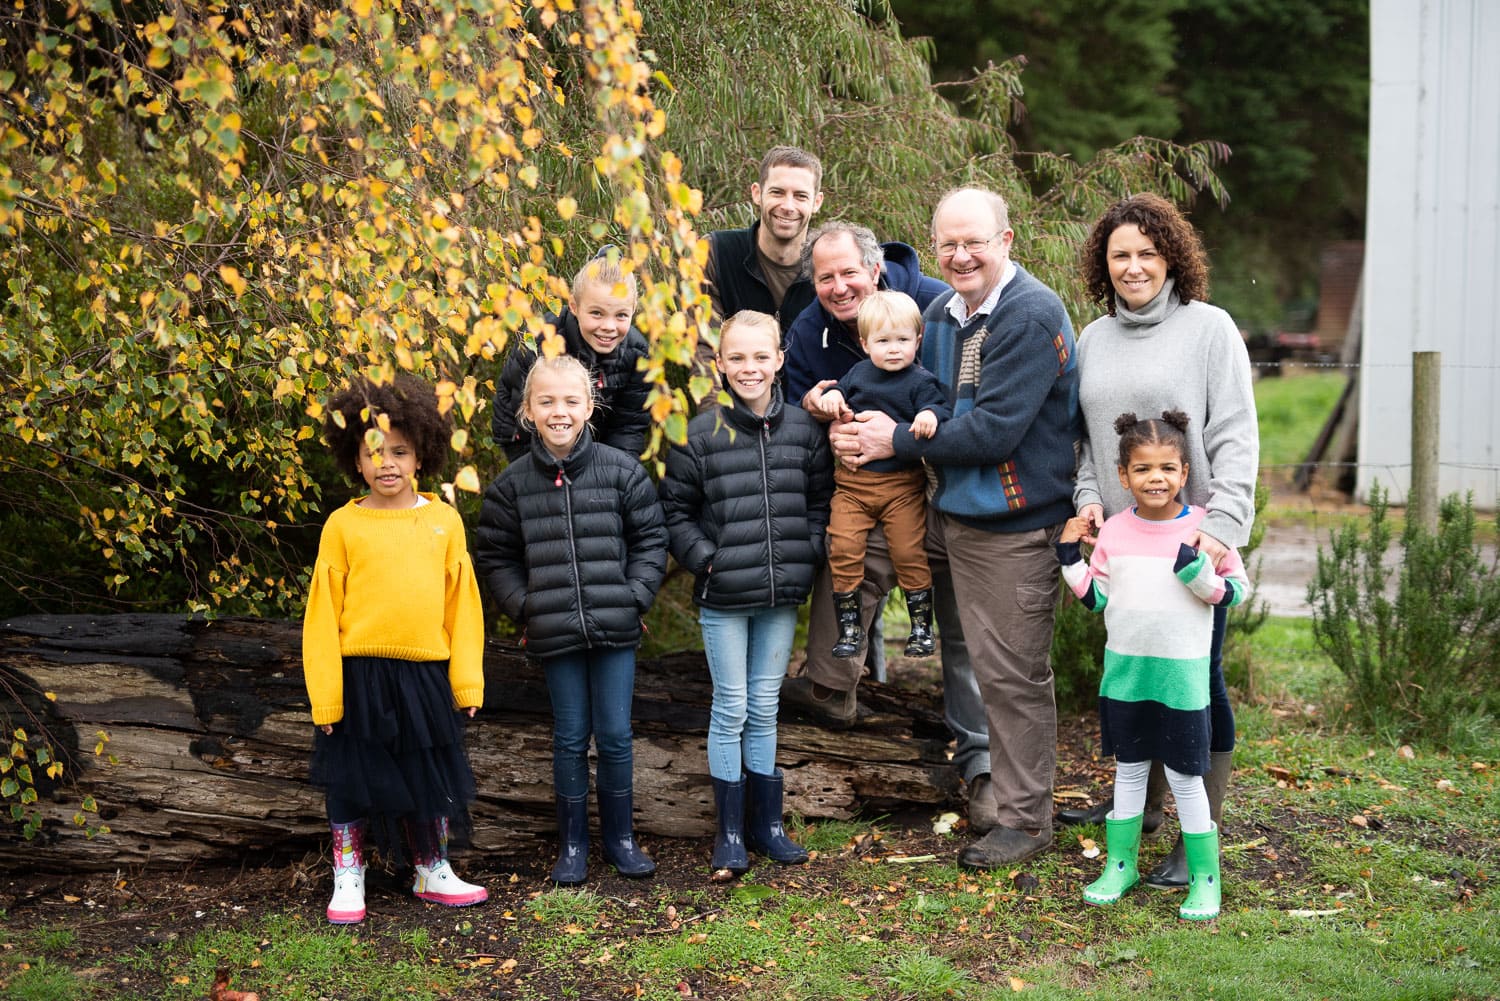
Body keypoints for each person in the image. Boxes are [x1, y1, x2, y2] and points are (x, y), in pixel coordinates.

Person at [830, 187, 1080, 869]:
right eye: (949, 243)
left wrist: (894, 445)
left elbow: (994, 432)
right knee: (850, 549)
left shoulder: (1030, 316)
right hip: (944, 506)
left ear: (1007, 239)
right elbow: (915, 397)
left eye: (975, 240)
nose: (961, 254)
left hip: (1010, 520)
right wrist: (853, 423)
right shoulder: (939, 312)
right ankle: (827, 680)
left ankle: (1027, 819)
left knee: (1009, 672)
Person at [1060, 193, 1259, 889]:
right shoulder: (1091, 338)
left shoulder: (1209, 329)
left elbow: (1236, 433)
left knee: (1198, 682)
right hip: (1122, 547)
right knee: (1136, 680)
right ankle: (1137, 808)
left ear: (1172, 256)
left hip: (1189, 549)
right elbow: (1083, 442)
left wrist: (1222, 527)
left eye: (1148, 251)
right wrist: (1088, 505)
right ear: (1103, 264)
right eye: (1121, 254)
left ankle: (1198, 829)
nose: (1135, 265)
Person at [474, 355, 669, 885]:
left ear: (589, 406)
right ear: (528, 411)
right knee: (568, 737)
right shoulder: (512, 486)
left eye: (570, 401)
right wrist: (525, 606)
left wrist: (634, 596)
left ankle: (621, 840)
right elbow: (494, 556)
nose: (559, 411)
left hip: (616, 627)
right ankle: (573, 844)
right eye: (546, 402)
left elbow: (651, 539)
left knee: (614, 736)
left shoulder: (621, 470)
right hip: (553, 629)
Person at [303, 373, 489, 925]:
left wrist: (468, 681)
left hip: (425, 676)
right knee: (352, 774)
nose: (387, 463)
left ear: (421, 454)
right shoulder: (343, 525)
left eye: (400, 452)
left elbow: (464, 607)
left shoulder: (444, 521)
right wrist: (326, 696)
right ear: (355, 461)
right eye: (374, 453)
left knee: (426, 771)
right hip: (358, 673)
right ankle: (348, 873)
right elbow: (321, 617)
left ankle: (431, 867)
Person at [659, 311, 834, 879]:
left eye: (761, 356)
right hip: (725, 595)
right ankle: (730, 832)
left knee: (765, 706)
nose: (750, 367)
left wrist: (806, 551)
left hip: (782, 592)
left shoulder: (804, 432)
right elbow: (676, 512)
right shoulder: (699, 434)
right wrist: (706, 559)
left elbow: (819, 501)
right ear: (721, 365)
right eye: (737, 357)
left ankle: (769, 826)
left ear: (780, 359)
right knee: (731, 706)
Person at [1058, 411, 1248, 921]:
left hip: (1182, 680)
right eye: (1142, 470)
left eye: (1167, 468)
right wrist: (1068, 557)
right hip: (1126, 676)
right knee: (1129, 769)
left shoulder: (1205, 531)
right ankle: (1121, 865)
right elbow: (1098, 599)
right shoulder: (1116, 532)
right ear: (1123, 477)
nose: (1155, 478)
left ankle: (1205, 876)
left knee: (1186, 776)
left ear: (1185, 472)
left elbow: (1235, 591)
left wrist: (1198, 576)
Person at [807, 290, 948, 659]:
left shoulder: (920, 381)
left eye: (903, 340)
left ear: (917, 341)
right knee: (843, 547)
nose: (894, 349)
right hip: (853, 487)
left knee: (908, 551)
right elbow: (838, 393)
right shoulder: (858, 374)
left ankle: (921, 627)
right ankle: (850, 629)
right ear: (866, 343)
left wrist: (928, 416)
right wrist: (832, 400)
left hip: (901, 488)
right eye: (883, 341)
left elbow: (938, 407)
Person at [491, 256, 651, 460]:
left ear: (633, 309)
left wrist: (613, 476)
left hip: (600, 453)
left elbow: (628, 427)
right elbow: (513, 411)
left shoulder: (637, 352)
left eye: (621, 315)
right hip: (532, 447)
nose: (609, 326)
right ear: (574, 306)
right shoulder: (541, 340)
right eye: (596, 313)